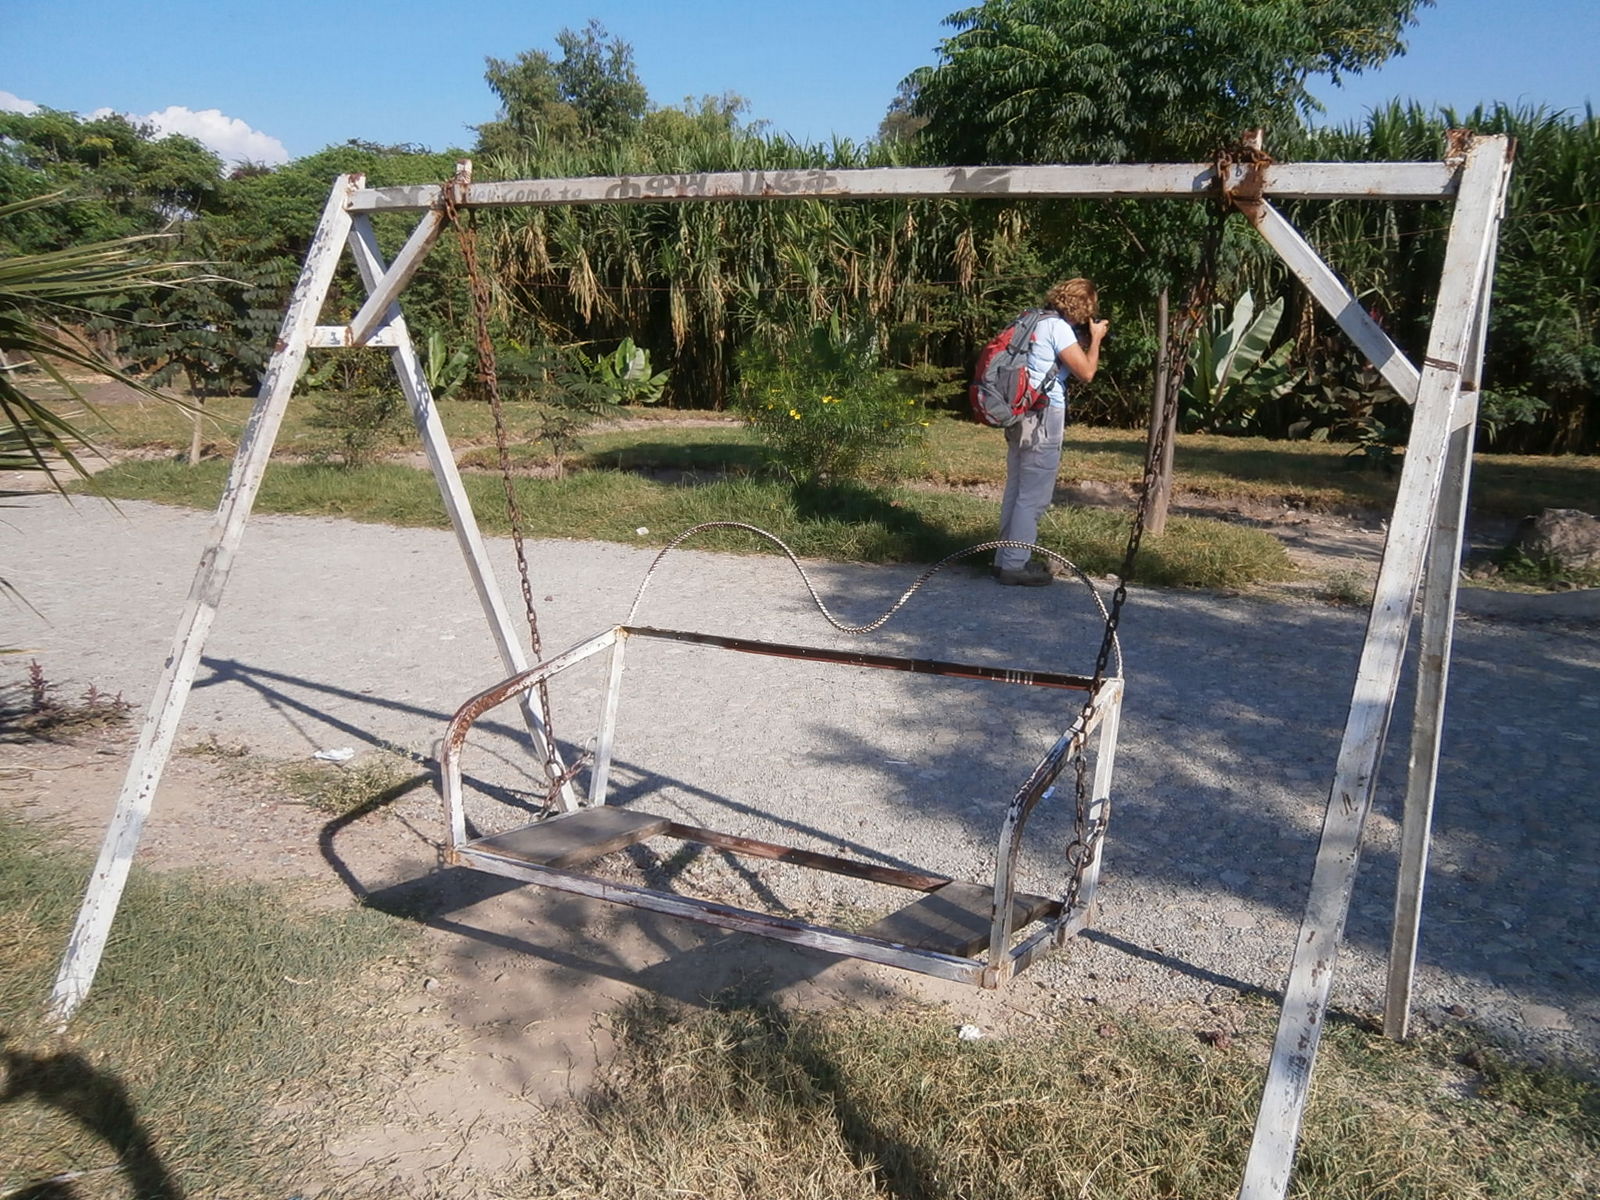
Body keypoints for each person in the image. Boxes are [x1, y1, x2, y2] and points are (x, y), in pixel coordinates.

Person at [993, 278, 1108, 586]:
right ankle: (1015, 565)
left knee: (1016, 489)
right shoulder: (1058, 328)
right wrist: (1096, 339)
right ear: (1082, 307)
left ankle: (1003, 559)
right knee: (1033, 496)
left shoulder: (1032, 319)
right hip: (1044, 415)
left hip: (1020, 411)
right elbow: (1087, 372)